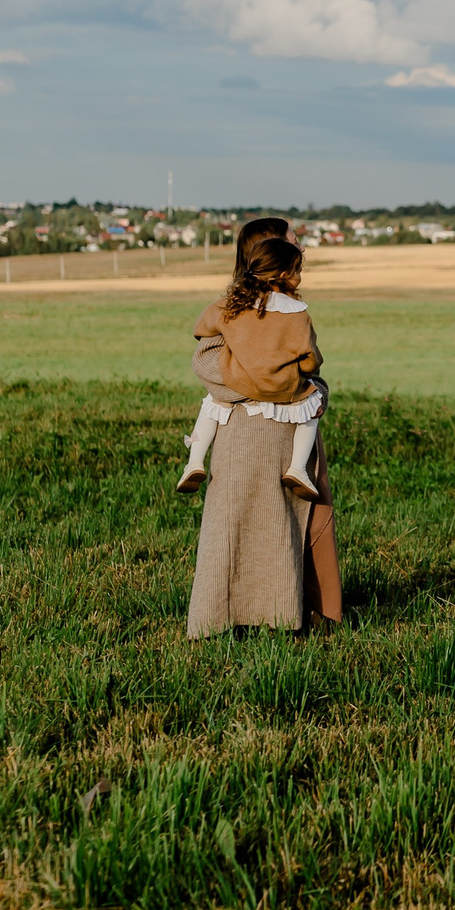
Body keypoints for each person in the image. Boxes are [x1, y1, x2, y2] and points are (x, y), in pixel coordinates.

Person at [183, 232, 343, 637]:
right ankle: (276, 614)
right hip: (276, 418)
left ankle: (193, 459)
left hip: (236, 420)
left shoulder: (229, 307)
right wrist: (287, 382)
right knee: (273, 523)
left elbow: (202, 334)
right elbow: (309, 360)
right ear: (283, 270)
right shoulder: (295, 313)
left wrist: (247, 377)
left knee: (240, 522)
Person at [177, 216, 296, 493]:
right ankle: (194, 461)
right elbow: (205, 362)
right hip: (247, 434)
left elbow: (306, 362)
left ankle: (194, 461)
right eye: (294, 243)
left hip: (284, 427)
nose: (301, 250)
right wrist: (269, 384)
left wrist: (315, 390)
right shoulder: (235, 309)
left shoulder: (290, 309)